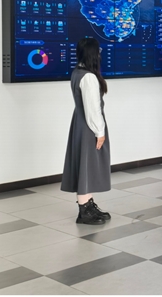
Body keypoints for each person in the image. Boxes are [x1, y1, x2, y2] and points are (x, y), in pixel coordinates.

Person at [61, 38, 111, 225]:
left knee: (85, 165)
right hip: (89, 127)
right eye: (98, 51)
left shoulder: (77, 72)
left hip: (80, 124)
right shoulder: (89, 77)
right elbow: (93, 108)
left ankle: (88, 205)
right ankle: (84, 211)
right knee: (87, 166)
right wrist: (100, 131)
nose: (100, 54)